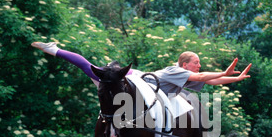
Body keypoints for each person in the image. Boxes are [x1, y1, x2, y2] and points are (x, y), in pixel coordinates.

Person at [31, 42, 252, 94]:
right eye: (196, 61)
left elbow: (211, 80)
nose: (200, 65)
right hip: (134, 79)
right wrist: (224, 71)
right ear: (185, 64)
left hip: (142, 89)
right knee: (90, 68)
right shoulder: (178, 71)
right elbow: (205, 75)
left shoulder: (189, 77)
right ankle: (55, 50)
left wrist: (236, 79)